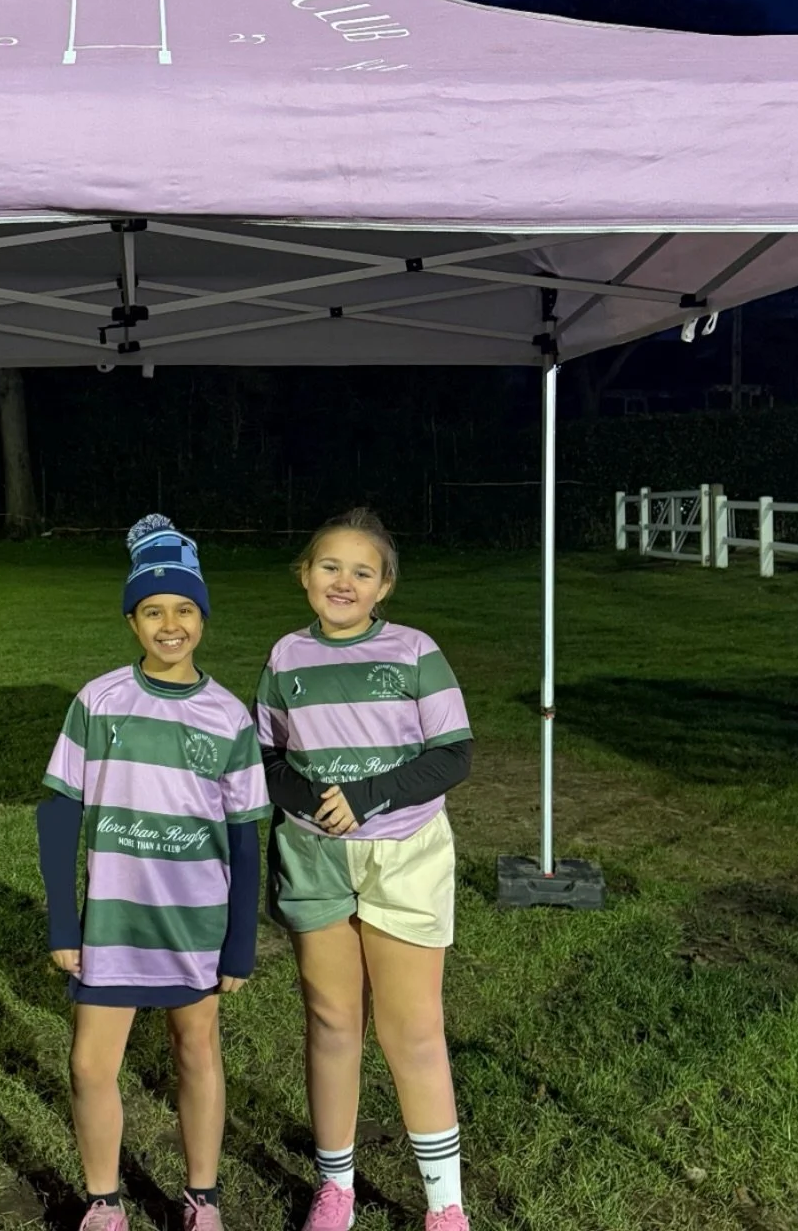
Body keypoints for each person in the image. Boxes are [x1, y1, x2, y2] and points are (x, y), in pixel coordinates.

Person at [38, 514, 270, 1231]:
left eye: (183, 610)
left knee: (195, 1050)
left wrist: (238, 941)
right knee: (88, 1064)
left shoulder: (229, 717)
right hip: (114, 919)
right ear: (132, 620)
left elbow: (243, 840)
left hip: (194, 920)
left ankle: (202, 1198)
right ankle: (105, 1202)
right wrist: (62, 919)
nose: (170, 625)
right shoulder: (98, 702)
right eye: (152, 611)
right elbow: (58, 814)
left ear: (202, 616)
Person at [255, 508, 475, 1231]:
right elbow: (267, 762)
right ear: (304, 576)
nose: (343, 581)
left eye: (361, 571)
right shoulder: (286, 656)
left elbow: (452, 754)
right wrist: (314, 807)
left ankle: (445, 1206)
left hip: (404, 854)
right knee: (330, 1020)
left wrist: (370, 794)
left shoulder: (414, 651)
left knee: (412, 1030)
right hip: (313, 855)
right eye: (329, 567)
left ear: (385, 587)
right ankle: (336, 1188)